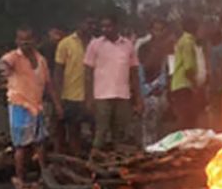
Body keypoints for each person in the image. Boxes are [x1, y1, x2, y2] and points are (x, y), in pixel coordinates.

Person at [0, 27, 63, 189]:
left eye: (28, 39)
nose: (25, 43)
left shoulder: (41, 60)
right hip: (19, 106)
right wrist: (4, 70)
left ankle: (44, 176)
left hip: (37, 106)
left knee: (40, 142)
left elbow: (49, 85)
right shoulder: (14, 57)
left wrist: (57, 105)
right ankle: (21, 180)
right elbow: (3, 63)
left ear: (35, 40)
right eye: (22, 40)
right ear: (17, 41)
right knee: (21, 146)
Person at [84, 16, 142, 151]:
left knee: (120, 133)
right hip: (101, 95)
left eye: (108, 26)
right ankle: (94, 162)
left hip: (122, 95)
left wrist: (138, 98)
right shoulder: (95, 45)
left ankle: (117, 163)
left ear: (116, 26)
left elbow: (134, 73)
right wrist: (88, 98)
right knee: (101, 132)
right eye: (103, 27)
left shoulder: (128, 45)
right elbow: (88, 73)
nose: (105, 29)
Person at [53, 18, 94, 155]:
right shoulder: (65, 43)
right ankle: (74, 161)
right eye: (86, 22)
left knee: (96, 129)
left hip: (93, 95)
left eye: (92, 23)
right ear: (78, 23)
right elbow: (58, 72)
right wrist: (57, 100)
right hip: (71, 94)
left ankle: (94, 160)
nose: (89, 26)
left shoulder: (97, 44)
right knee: (73, 130)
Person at [136, 19, 172, 146]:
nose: (159, 33)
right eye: (156, 29)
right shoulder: (144, 47)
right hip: (148, 92)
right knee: (149, 127)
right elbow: (142, 69)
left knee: (160, 127)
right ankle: (148, 152)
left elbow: (168, 70)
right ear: (150, 30)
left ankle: (159, 153)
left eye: (161, 30)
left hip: (162, 92)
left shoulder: (167, 48)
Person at [170, 17, 200, 129]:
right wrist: (195, 86)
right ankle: (180, 143)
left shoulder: (182, 40)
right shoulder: (188, 42)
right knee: (187, 118)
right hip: (184, 85)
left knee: (185, 116)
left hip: (179, 84)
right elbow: (189, 68)